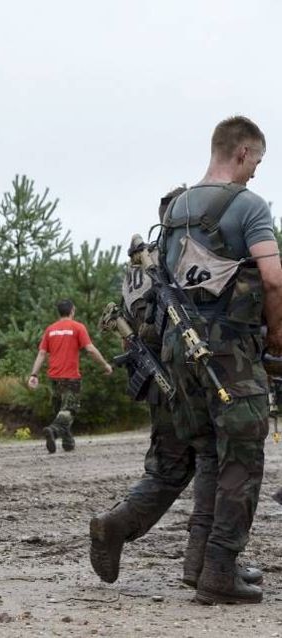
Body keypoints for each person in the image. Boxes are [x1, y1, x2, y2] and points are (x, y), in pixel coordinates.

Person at [89, 186, 263, 589]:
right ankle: (183, 556)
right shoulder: (173, 262)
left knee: (178, 466)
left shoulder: (140, 269)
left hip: (158, 377)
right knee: (204, 461)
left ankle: (194, 562)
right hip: (184, 375)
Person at [154, 116, 279, 605]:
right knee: (243, 459)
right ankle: (220, 571)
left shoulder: (175, 207)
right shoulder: (249, 206)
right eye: (258, 163)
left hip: (179, 352)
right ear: (243, 153)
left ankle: (199, 564)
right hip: (230, 353)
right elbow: (273, 278)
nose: (256, 174)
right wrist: (277, 345)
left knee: (209, 454)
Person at [27, 300, 113, 453]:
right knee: (69, 410)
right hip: (71, 377)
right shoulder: (78, 327)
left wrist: (34, 374)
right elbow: (90, 349)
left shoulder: (50, 330)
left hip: (54, 377)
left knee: (61, 410)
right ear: (72, 311)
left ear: (58, 312)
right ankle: (53, 431)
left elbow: (41, 353)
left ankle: (68, 443)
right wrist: (105, 365)